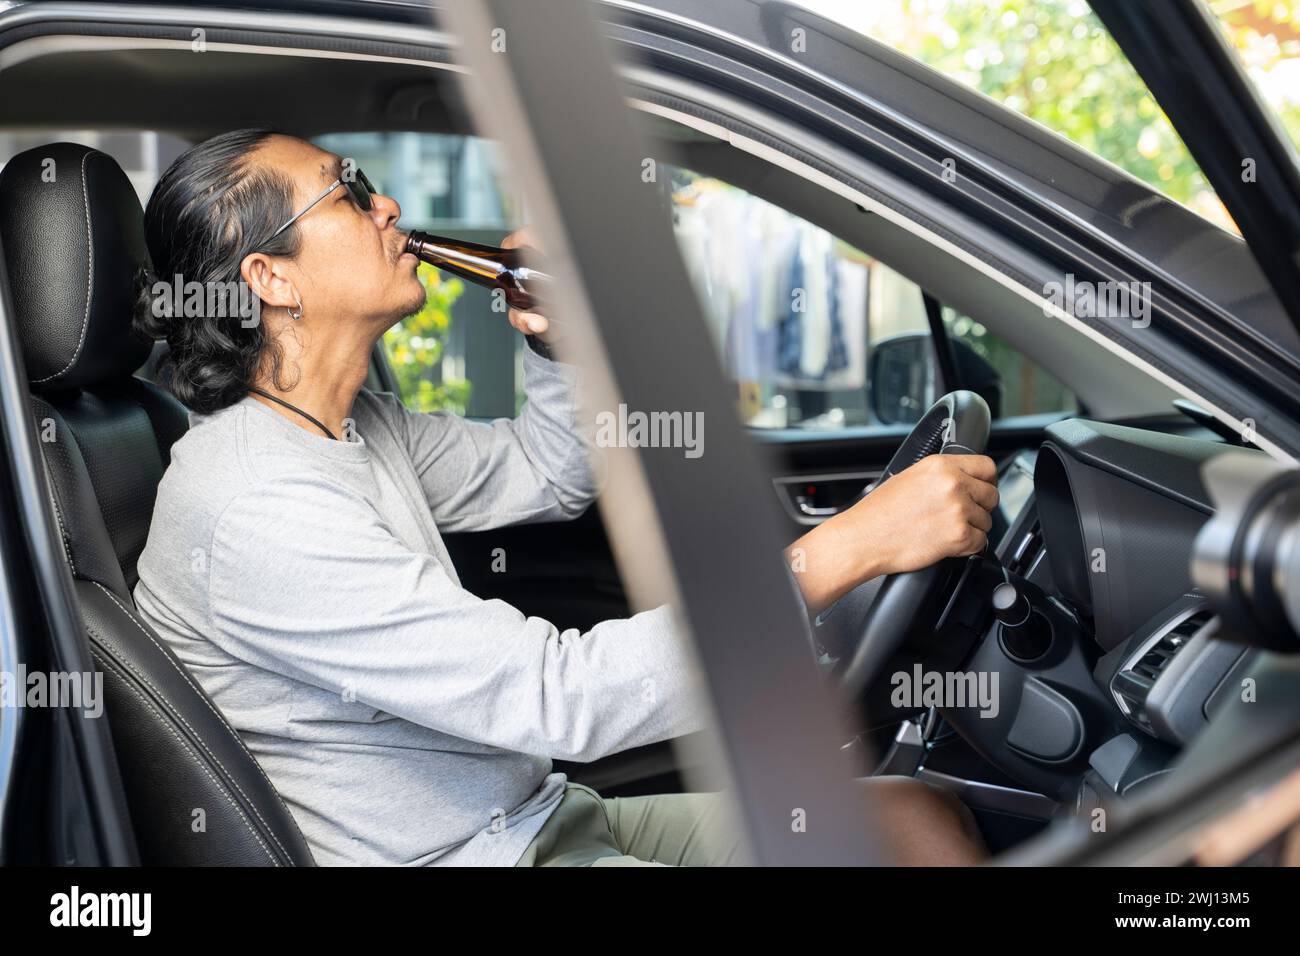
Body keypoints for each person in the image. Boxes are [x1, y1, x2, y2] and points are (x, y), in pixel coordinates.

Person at [132, 129, 998, 866]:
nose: (386, 205)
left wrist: (561, 348)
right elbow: (557, 697)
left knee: (919, 823)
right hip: (465, 859)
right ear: (272, 279)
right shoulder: (255, 503)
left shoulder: (351, 426)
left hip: (536, 817)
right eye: (348, 194)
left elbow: (549, 469)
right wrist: (853, 545)